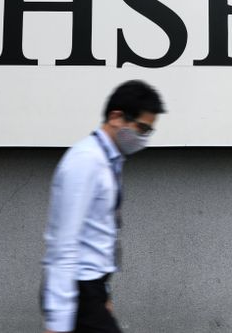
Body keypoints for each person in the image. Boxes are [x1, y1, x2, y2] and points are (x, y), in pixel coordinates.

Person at [40, 80, 165, 333]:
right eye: (141, 128)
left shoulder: (109, 160)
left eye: (148, 131)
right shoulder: (86, 162)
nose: (143, 138)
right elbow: (63, 243)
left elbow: (98, 234)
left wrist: (104, 292)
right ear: (116, 117)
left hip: (91, 290)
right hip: (77, 292)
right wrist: (58, 321)